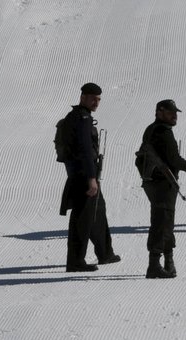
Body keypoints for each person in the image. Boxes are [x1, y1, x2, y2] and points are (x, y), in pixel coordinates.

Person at [136, 99, 186, 278]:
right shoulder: (163, 133)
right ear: (160, 112)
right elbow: (174, 160)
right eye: (170, 112)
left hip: (153, 182)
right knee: (162, 221)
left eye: (175, 112)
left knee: (163, 221)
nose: (174, 116)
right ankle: (155, 265)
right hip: (163, 183)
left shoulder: (151, 129)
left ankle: (168, 262)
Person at [59, 82, 119, 272]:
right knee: (82, 218)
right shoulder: (82, 119)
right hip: (83, 175)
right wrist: (91, 178)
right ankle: (75, 262)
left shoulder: (76, 116)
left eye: (99, 99)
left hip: (80, 174)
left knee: (97, 212)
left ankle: (105, 253)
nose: (96, 102)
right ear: (83, 97)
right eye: (93, 98)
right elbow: (85, 150)